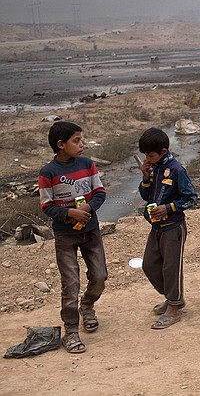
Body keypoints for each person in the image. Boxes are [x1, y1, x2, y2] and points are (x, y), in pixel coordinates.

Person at [38, 121, 108, 353]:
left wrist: (86, 209)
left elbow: (99, 193)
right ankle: (71, 332)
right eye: (76, 141)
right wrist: (68, 213)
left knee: (99, 276)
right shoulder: (48, 172)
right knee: (70, 284)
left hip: (91, 231)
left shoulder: (88, 164)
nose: (82, 144)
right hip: (66, 235)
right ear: (60, 145)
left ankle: (87, 305)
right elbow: (47, 205)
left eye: (81, 139)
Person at [137, 127, 198, 329]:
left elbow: (190, 198)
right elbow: (146, 196)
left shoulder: (177, 170)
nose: (147, 158)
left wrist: (168, 208)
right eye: (145, 155)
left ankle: (174, 306)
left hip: (173, 226)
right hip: (156, 226)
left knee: (171, 267)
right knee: (149, 264)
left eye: (150, 155)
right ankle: (173, 297)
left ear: (163, 151)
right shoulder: (153, 168)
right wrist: (146, 178)